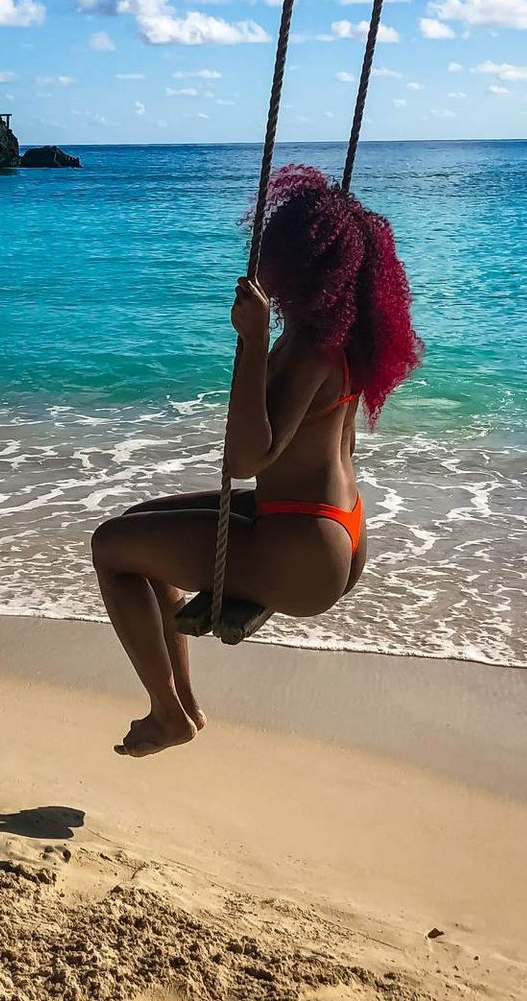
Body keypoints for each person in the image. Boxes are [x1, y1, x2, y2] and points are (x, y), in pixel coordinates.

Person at [90, 164, 424, 757]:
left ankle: (168, 711)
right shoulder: (339, 337)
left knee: (110, 549)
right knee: (139, 528)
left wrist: (251, 342)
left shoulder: (306, 349)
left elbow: (245, 457)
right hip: (331, 529)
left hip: (300, 549)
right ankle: (183, 705)